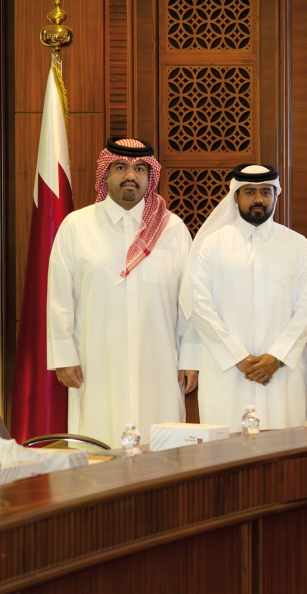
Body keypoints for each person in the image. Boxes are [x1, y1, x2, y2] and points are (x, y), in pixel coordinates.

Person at [46, 138, 198, 447]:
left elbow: (189, 303)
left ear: (150, 176)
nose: (131, 176)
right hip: (95, 362)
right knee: (97, 447)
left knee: (161, 449)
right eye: (121, 168)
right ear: (105, 174)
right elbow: (60, 297)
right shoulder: (76, 226)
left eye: (140, 169)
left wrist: (191, 358)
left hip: (159, 363)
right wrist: (63, 356)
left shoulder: (174, 230)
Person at [181, 164, 307, 431]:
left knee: (285, 448)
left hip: (282, 374)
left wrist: (277, 357)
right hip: (228, 373)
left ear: (276, 196)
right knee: (227, 449)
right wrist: (238, 358)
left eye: (266, 192)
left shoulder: (297, 245)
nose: (258, 199)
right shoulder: (212, 245)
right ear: (235, 196)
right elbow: (200, 306)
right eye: (250, 192)